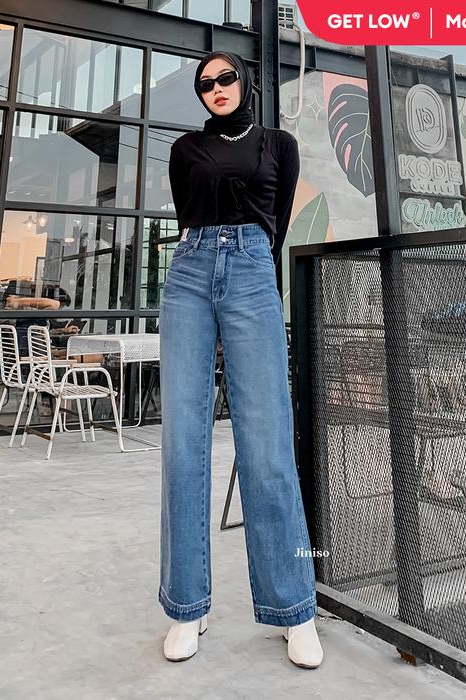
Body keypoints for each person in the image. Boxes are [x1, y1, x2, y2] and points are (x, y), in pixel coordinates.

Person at [158, 51, 323, 668]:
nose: (217, 88)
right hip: (190, 272)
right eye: (205, 84)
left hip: (253, 272)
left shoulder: (279, 144)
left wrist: (248, 259)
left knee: (267, 442)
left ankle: (293, 608)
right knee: (183, 443)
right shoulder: (185, 150)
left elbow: (274, 223)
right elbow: (188, 213)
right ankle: (186, 606)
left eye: (226, 78)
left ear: (245, 82)